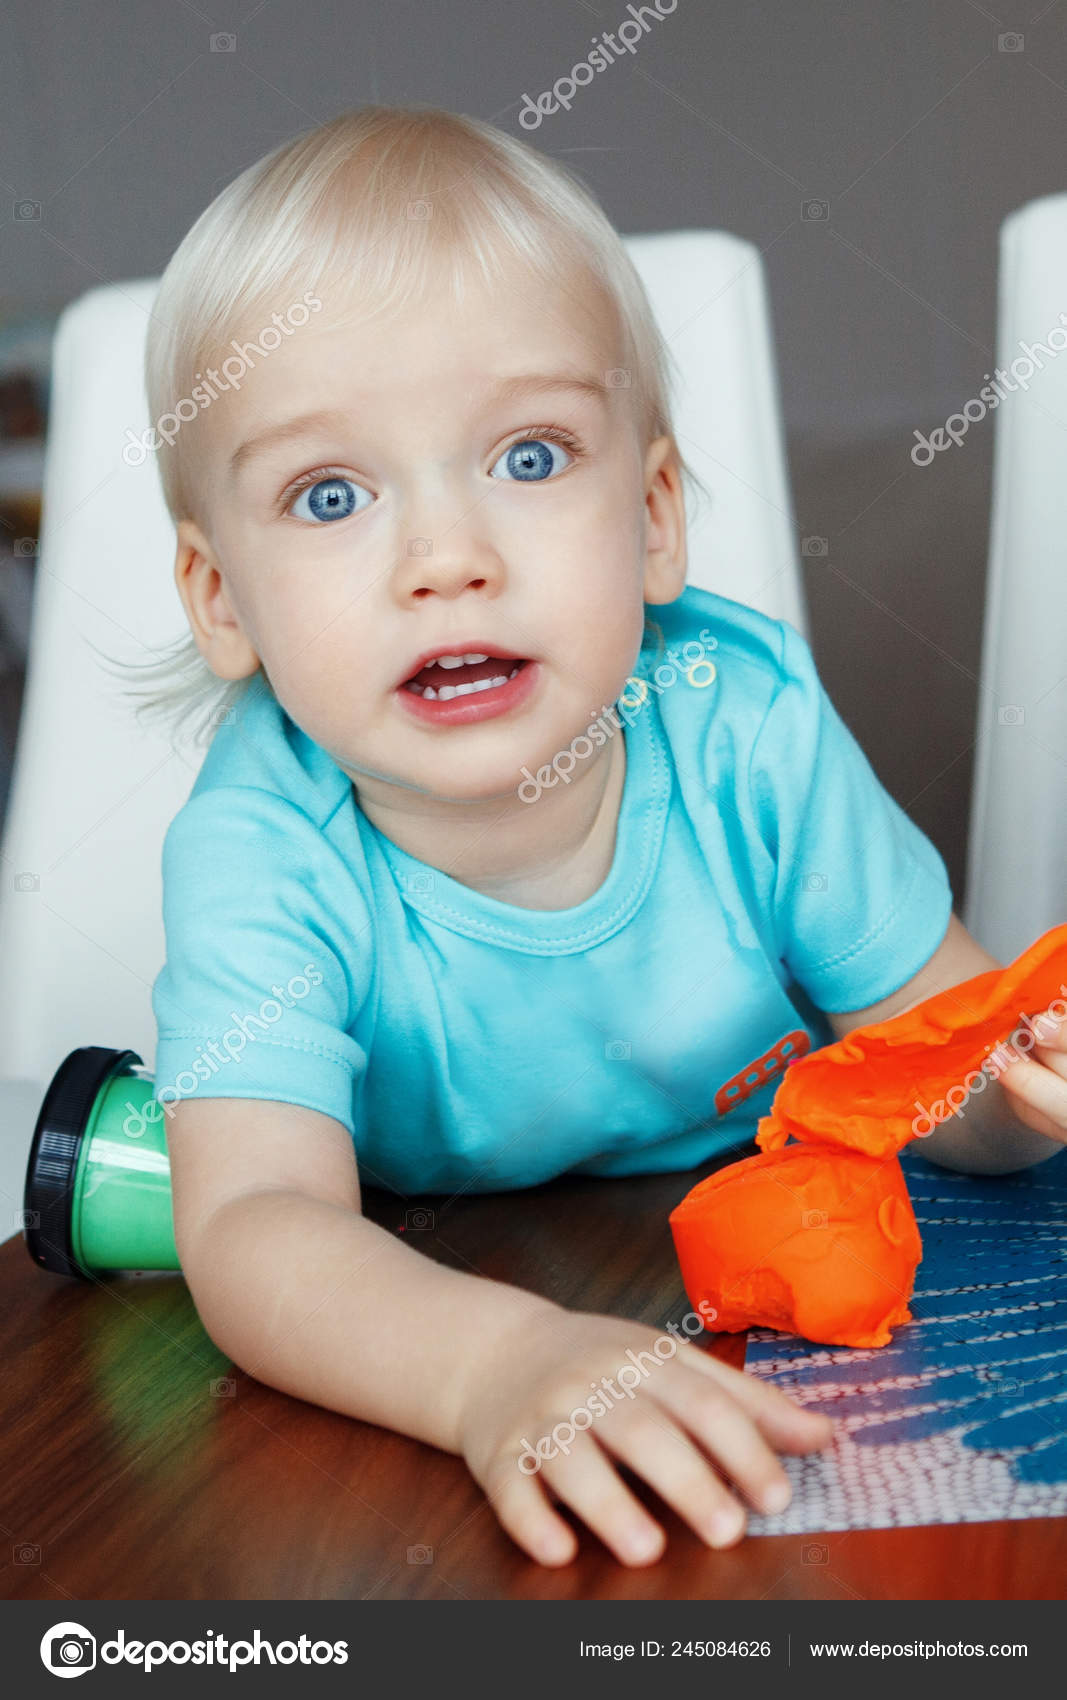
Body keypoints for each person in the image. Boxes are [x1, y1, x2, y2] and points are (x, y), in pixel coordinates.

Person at [129, 104, 1067, 1571]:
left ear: (654, 518)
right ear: (223, 602)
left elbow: (951, 1071)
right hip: (434, 1257)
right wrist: (490, 1368)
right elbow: (253, 1225)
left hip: (744, 1227)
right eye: (331, 495)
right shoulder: (263, 847)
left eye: (528, 456)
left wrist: (1030, 1084)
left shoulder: (742, 727)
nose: (448, 559)